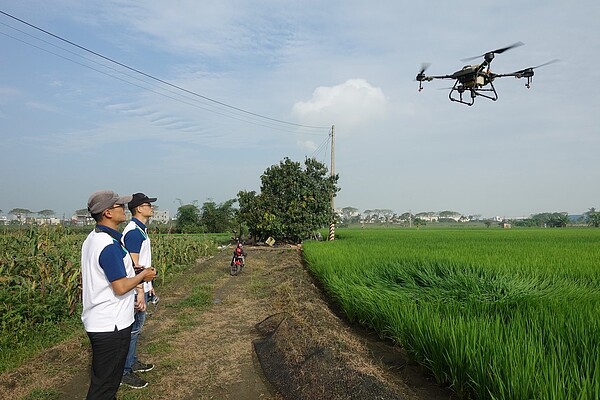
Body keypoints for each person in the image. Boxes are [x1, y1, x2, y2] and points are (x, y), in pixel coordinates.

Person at [81, 190, 156, 400]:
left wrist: (135, 272)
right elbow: (121, 287)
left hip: (101, 320)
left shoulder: (95, 238)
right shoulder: (108, 245)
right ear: (107, 213)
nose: (123, 210)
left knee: (107, 384)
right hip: (111, 324)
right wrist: (143, 277)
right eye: (118, 207)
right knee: (104, 387)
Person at [120, 192, 158, 389]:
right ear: (139, 209)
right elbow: (134, 265)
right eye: (148, 204)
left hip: (142, 286)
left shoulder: (140, 230)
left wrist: (149, 287)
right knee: (132, 330)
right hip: (136, 288)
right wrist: (140, 290)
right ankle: (125, 371)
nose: (151, 208)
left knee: (136, 329)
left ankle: (132, 361)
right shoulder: (134, 232)